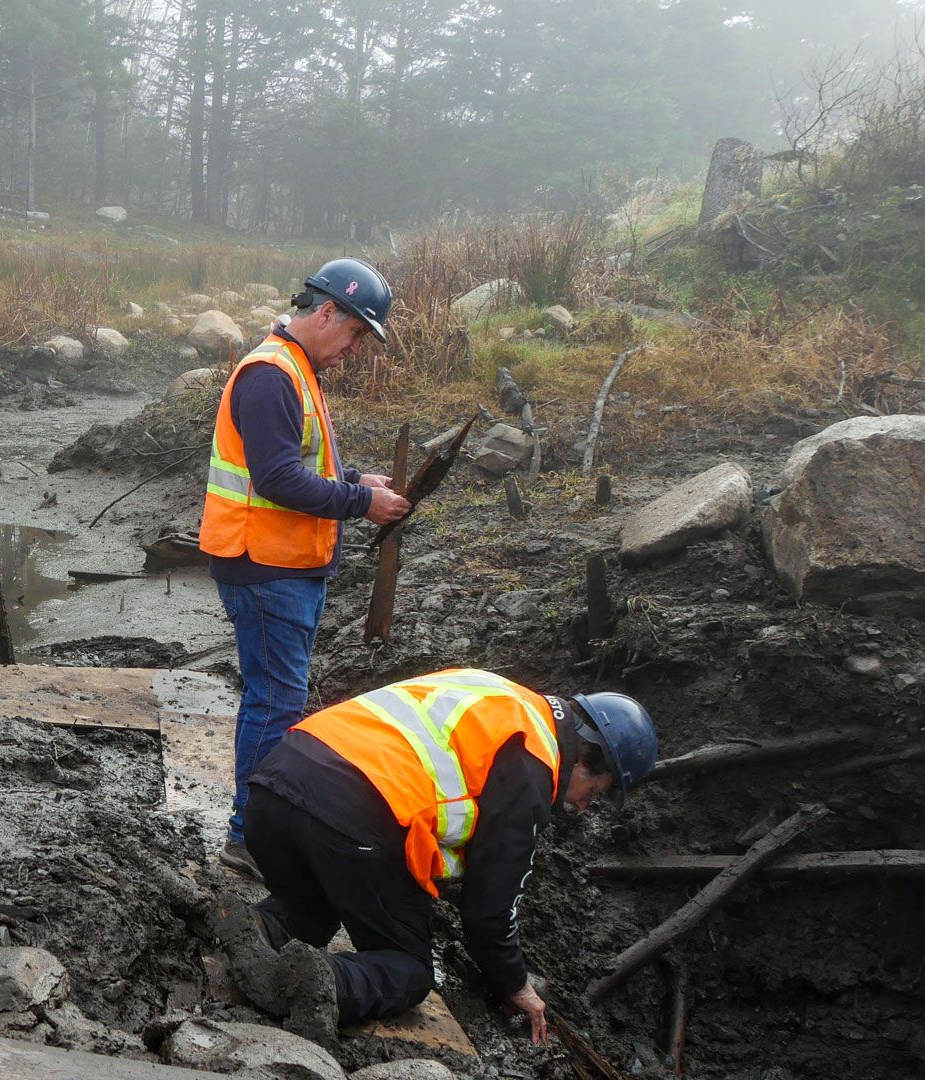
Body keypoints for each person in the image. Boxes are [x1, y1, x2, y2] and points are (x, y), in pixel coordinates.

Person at [219, 669, 659, 1044]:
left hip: (273, 789)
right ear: (587, 758)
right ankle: (316, 984)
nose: (583, 807)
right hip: (348, 817)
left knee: (314, 909)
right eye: (594, 793)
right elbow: (489, 911)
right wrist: (516, 985)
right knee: (408, 970)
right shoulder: (533, 762)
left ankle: (248, 928)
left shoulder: (503, 696)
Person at [200, 258, 411, 878]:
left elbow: (300, 462)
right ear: (327, 312)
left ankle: (261, 828)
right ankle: (249, 838)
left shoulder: (296, 368)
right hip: (264, 566)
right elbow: (276, 478)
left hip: (284, 564)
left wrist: (355, 479)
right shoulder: (272, 375)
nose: (354, 349)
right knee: (275, 703)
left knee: (278, 698)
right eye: (355, 333)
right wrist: (360, 502)